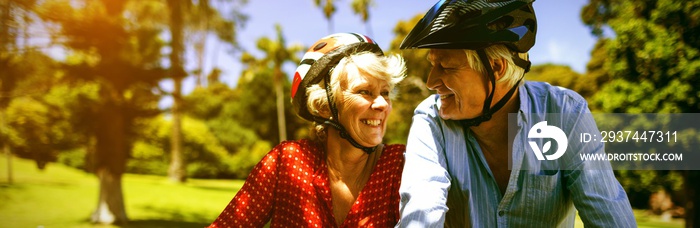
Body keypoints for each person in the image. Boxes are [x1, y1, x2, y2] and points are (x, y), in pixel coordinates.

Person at [396, 0, 636, 227]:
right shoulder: (430, 119)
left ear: (496, 68)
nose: (431, 82)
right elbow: (422, 207)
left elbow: (608, 214)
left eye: (446, 66)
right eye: (432, 65)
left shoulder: (565, 113)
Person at [209, 33, 407, 227]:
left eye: (385, 92)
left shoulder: (401, 166)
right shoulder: (288, 162)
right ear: (323, 105)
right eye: (364, 91)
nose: (383, 104)